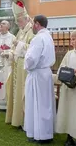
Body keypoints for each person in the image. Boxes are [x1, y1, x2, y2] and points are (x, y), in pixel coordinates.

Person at [24, 15, 56, 144]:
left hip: (37, 74)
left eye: (33, 23)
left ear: (37, 24)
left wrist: (26, 65)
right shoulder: (49, 37)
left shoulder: (38, 38)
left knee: (36, 103)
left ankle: (39, 134)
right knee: (45, 104)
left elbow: (31, 59)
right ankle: (46, 132)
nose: (32, 26)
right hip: (46, 73)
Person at [6, 0, 34, 128]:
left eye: (20, 21)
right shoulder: (21, 32)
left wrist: (19, 44)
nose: (18, 24)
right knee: (17, 92)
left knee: (23, 93)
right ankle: (16, 118)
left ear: (26, 19)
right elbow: (14, 48)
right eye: (17, 21)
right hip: (17, 65)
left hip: (25, 67)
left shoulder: (31, 31)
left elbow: (33, 49)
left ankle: (24, 120)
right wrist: (9, 53)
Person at [0, 21, 15, 110]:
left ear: (8, 27)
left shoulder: (12, 38)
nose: (1, 24)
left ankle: (7, 104)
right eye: (0, 23)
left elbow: (15, 52)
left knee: (6, 81)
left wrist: (5, 52)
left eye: (4, 24)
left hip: (7, 64)